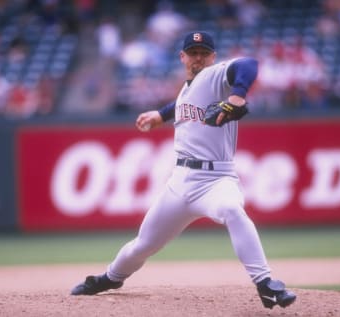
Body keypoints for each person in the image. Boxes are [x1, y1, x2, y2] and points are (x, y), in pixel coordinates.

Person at [70, 31, 296, 309]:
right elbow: (184, 104)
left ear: (213, 57)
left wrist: (237, 97)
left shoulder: (213, 77)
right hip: (180, 183)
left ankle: (265, 283)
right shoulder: (189, 87)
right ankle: (111, 277)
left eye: (204, 53)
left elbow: (249, 64)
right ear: (182, 57)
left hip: (216, 180)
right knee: (143, 244)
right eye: (193, 53)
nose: (198, 58)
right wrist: (161, 115)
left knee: (232, 210)